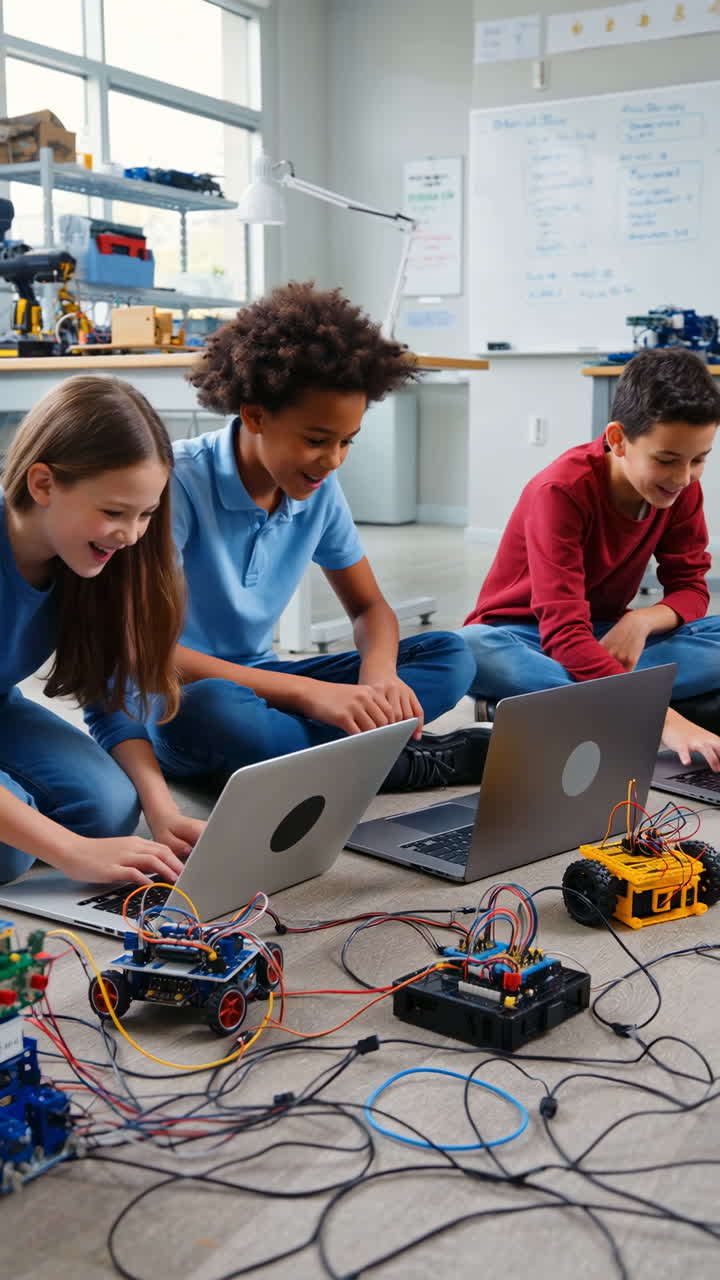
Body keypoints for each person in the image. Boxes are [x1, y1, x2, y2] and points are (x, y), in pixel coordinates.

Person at [142, 282, 485, 790]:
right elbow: (150, 650)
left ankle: (309, 760)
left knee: (450, 655)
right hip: (183, 695)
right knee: (213, 711)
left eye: (347, 441)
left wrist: (379, 676)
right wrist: (307, 695)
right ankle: (386, 763)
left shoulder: (317, 487)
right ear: (255, 414)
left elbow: (370, 609)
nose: (334, 459)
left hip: (267, 685)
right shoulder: (177, 483)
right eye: (317, 440)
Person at [461, 348, 720, 770]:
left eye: (699, 460)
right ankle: (634, 698)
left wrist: (640, 621)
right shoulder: (561, 491)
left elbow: (691, 588)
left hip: (607, 635)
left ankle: (574, 701)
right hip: (529, 638)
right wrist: (661, 719)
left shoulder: (682, 489)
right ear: (618, 440)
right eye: (666, 460)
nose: (682, 477)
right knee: (469, 650)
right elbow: (562, 632)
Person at [0, 375, 204, 885]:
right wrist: (68, 850)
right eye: (114, 512)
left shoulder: (96, 560)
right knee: (10, 854)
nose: (132, 536)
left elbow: (111, 693)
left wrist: (164, 814)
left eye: (145, 515)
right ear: (42, 483)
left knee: (110, 810)